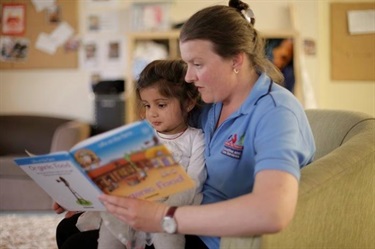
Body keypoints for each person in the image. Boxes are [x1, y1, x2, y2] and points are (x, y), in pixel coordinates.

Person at [99, 1, 316, 249]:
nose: (189, 77)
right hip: (185, 214)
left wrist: (163, 217)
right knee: (68, 229)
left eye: (197, 64)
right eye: (187, 64)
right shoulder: (209, 103)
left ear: (236, 60)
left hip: (211, 237)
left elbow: (273, 212)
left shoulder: (277, 113)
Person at [54, 59, 206, 249]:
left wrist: (160, 210)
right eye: (147, 105)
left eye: (161, 105)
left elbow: (194, 181)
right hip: (129, 210)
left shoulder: (196, 138)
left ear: (189, 103)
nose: (152, 114)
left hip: (168, 213)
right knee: (70, 230)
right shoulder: (141, 136)